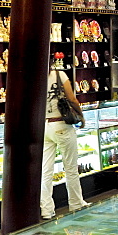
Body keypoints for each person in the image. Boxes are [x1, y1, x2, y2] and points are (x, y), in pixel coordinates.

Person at [40, 66, 89, 220]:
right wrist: (81, 116)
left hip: (44, 126)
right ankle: (76, 203)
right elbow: (72, 98)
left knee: (45, 170)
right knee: (71, 168)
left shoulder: (34, 76)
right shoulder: (59, 74)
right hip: (61, 124)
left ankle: (46, 209)